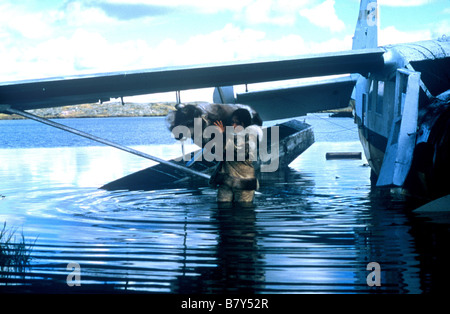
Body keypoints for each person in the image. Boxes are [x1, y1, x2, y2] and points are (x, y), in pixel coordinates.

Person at [210, 108, 263, 207]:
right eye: (232, 122)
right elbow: (215, 151)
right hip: (226, 181)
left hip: (244, 183)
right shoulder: (231, 136)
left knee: (243, 213)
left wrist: (224, 134)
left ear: (243, 124)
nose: (233, 125)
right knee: (222, 210)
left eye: (237, 123)